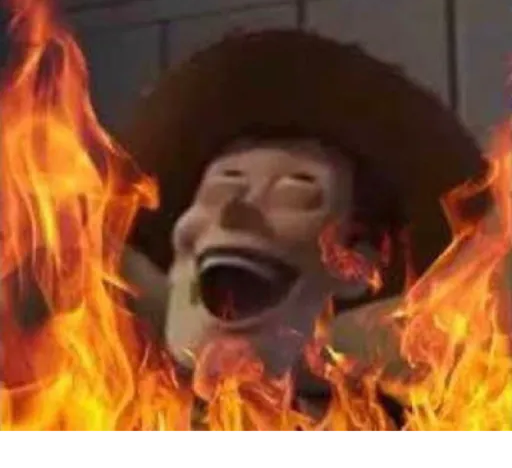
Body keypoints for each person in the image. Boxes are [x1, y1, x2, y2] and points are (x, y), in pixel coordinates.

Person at [117, 30, 491, 428]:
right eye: (219, 191)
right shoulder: (94, 403)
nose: (234, 213)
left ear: (360, 265)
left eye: (292, 194)